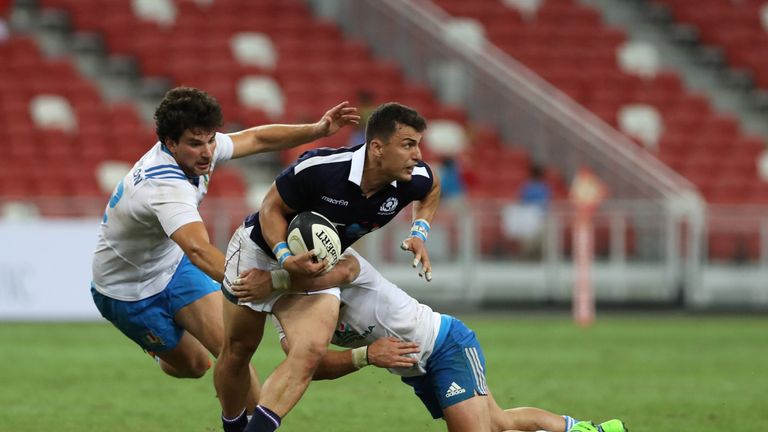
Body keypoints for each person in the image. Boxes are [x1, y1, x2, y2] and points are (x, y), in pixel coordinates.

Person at [90, 87, 359, 412]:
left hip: (173, 268)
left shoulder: (200, 149)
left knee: (234, 352)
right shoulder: (165, 187)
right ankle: (163, 349)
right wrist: (260, 282)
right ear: (170, 144)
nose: (206, 152)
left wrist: (316, 130)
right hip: (126, 293)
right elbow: (199, 250)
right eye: (195, 144)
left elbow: (257, 139)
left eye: (210, 141)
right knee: (194, 365)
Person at [214, 102, 441, 432]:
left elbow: (432, 189)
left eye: (419, 144)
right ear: (377, 148)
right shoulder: (321, 169)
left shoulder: (412, 180)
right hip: (259, 251)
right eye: (408, 144)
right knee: (238, 350)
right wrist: (284, 257)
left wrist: (419, 231)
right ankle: (232, 426)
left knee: (309, 352)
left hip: (317, 269)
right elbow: (270, 208)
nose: (418, 155)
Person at [239, 249, 627, 432]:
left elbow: (343, 271)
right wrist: (365, 356)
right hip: (415, 370)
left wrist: (276, 280)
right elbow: (307, 366)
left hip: (445, 345)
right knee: (498, 424)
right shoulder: (288, 311)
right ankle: (586, 430)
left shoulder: (339, 263)